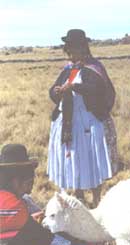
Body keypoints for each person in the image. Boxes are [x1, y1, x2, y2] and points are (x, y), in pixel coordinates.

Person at [0, 144, 89, 245]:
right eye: (28, 184)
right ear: (15, 181)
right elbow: (42, 241)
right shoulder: (14, 205)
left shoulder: (9, 199)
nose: (29, 190)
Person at [48, 29, 118, 207]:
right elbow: (55, 90)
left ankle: (96, 198)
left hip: (88, 121)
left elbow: (98, 90)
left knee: (92, 158)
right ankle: (78, 195)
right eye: (69, 51)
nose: (71, 55)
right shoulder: (68, 69)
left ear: (83, 48)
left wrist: (74, 87)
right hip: (69, 122)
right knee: (75, 159)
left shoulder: (93, 68)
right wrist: (55, 91)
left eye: (74, 51)